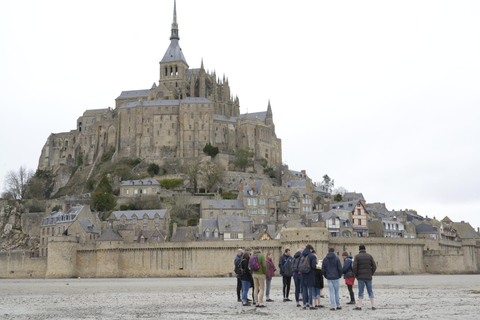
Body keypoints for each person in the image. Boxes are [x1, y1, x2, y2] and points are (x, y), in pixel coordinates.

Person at [353, 245, 377, 310]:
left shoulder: (357, 257)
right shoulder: (369, 256)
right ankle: (373, 306)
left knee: (361, 291)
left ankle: (359, 306)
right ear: (365, 249)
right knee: (370, 291)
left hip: (360, 277)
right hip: (368, 276)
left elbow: (354, 267)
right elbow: (374, 266)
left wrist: (356, 275)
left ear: (359, 249)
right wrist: (371, 273)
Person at [300, 244, 317, 310]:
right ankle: (310, 305)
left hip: (303, 274)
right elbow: (313, 266)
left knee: (304, 289)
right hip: (310, 274)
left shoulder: (302, 255)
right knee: (310, 289)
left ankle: (304, 304)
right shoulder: (312, 256)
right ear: (310, 249)